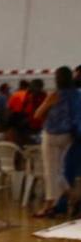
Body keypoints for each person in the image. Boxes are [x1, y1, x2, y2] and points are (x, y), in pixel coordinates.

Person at [33, 66, 80, 218]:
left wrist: (48, 107)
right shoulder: (76, 95)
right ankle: (72, 197)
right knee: (60, 171)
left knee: (50, 171)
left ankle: (50, 204)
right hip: (69, 136)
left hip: (51, 135)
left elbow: (37, 114)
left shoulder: (55, 95)